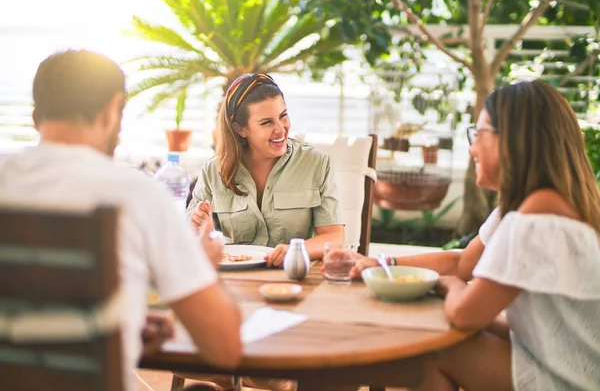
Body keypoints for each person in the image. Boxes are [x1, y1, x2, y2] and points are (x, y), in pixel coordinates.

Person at [0, 50, 242, 390]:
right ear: (114, 109)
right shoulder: (137, 196)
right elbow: (225, 349)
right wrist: (205, 268)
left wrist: (119, 322)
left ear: (36, 117)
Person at [353, 80, 600, 390]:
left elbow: (464, 313)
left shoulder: (534, 218)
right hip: (570, 367)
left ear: (511, 140)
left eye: (477, 134)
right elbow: (464, 261)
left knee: (436, 350)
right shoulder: (552, 203)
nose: (471, 148)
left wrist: (446, 286)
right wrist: (380, 263)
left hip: (570, 382)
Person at [187, 73, 344, 267]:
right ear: (240, 129)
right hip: (234, 282)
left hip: (292, 278)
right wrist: (199, 227)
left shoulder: (316, 163)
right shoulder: (213, 171)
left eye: (283, 116)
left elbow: (333, 236)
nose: (281, 129)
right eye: (267, 122)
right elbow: (186, 240)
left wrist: (296, 250)